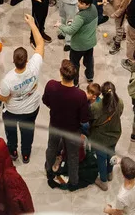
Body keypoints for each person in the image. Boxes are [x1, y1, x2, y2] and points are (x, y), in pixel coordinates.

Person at [0, 13, 46, 163]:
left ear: (13, 61)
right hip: (31, 108)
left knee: (11, 131)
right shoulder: (34, 66)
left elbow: (3, 97)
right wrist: (32, 24)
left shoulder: (8, 80)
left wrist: (9, 96)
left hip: (12, 111)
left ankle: (12, 151)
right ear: (26, 60)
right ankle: (26, 154)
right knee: (28, 132)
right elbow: (40, 44)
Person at [42, 59, 90, 189]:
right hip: (72, 130)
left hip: (55, 125)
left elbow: (45, 101)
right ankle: (73, 182)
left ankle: (49, 170)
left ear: (61, 73)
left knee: (51, 148)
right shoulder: (80, 95)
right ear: (75, 76)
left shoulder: (51, 85)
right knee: (73, 155)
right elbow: (84, 119)